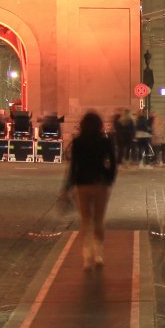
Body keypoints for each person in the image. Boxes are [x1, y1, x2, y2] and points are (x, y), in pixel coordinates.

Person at [61, 111, 118, 271]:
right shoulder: (105, 141)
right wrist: (109, 178)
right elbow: (113, 163)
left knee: (86, 221)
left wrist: (67, 186)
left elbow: (73, 167)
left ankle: (87, 256)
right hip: (100, 183)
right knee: (99, 219)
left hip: (82, 184)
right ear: (100, 125)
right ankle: (99, 254)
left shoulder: (78, 142)